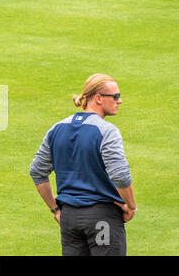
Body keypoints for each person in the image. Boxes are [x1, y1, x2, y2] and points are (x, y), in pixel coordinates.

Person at [29, 73, 136, 256]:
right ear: (98, 98)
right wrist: (131, 206)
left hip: (70, 220)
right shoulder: (107, 131)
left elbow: (37, 172)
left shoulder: (57, 128)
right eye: (116, 96)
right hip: (103, 219)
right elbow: (120, 175)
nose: (120, 101)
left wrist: (55, 209)